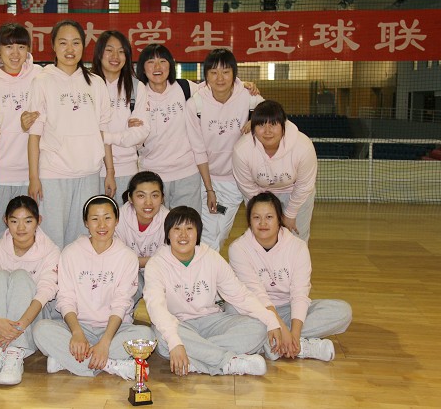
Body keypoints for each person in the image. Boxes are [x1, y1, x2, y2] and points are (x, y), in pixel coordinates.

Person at [143, 206, 282, 376]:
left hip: (212, 320)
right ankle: (228, 362)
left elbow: (239, 294)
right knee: (163, 338)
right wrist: (175, 341)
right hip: (179, 324)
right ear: (168, 234)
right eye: (177, 229)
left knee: (258, 327)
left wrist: (271, 320)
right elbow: (156, 307)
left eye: (189, 228)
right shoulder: (156, 264)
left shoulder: (211, 257)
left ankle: (198, 359)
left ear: (198, 233)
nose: (183, 235)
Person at [33, 195, 155, 379]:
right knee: (41, 329)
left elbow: (121, 303)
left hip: (114, 330)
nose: (102, 225)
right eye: (95, 219)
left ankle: (70, 361)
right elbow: (66, 299)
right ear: (86, 222)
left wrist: (105, 342)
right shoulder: (71, 253)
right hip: (79, 327)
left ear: (117, 220)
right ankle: (110, 365)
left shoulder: (127, 257)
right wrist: (76, 333)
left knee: (146, 335)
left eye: (107, 218)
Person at [228, 192, 352, 362]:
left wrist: (294, 332)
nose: (263, 223)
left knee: (342, 311)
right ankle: (300, 346)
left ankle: (274, 343)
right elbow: (257, 295)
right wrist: (279, 327)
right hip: (257, 310)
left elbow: (300, 294)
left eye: (269, 217)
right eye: (256, 217)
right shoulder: (238, 248)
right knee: (231, 309)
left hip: (287, 309)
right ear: (249, 221)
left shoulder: (297, 247)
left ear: (279, 219)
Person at [27, 20, 113, 249]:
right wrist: (34, 177)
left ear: (83, 46)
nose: (70, 49)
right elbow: (34, 135)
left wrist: (110, 172)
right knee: (51, 240)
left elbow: (103, 132)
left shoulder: (96, 83)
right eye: (63, 43)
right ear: (53, 46)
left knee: (82, 242)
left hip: (89, 174)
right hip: (53, 174)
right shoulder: (42, 81)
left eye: (76, 43)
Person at [0, 196, 60, 385]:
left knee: (20, 276)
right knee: (0, 276)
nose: (21, 228)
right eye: (14, 221)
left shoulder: (51, 251)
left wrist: (18, 327)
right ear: (5, 221)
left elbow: (46, 292)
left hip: (29, 324)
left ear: (39, 221)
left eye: (28, 221)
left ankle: (15, 352)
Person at [187, 48, 264, 251]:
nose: (220, 78)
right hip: (204, 179)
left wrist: (255, 121)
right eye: (213, 72)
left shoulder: (249, 96)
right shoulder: (196, 103)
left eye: (226, 72)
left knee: (221, 232)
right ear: (206, 76)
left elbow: (272, 118)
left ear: (234, 73)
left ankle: (206, 265)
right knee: (207, 233)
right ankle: (205, 268)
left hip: (235, 180)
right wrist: (209, 188)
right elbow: (198, 150)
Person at [0, 23, 43, 244]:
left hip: (33, 176)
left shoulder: (40, 76)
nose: (15, 53)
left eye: (21, 47)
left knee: (31, 238)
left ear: (28, 49)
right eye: (8, 47)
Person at [233, 100, 317, 242]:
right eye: (261, 125)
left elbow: (304, 185)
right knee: (263, 236)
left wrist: (290, 215)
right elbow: (247, 186)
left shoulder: (303, 146)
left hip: (296, 192)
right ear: (253, 127)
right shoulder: (242, 150)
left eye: (273, 124)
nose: (267, 131)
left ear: (283, 126)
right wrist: (264, 213)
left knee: (297, 239)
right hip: (259, 193)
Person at [135, 44, 203, 214]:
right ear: (143, 68)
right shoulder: (136, 96)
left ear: (170, 65)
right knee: (156, 227)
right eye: (151, 62)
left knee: (187, 225)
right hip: (152, 176)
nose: (157, 67)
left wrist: (242, 85)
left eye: (162, 61)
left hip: (187, 174)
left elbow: (217, 89)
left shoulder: (185, 88)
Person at [91, 30, 150, 208]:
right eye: (109, 50)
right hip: (92, 170)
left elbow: (141, 132)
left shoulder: (136, 87)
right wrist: (125, 132)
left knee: (126, 220)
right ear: (99, 53)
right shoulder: (88, 85)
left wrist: (108, 137)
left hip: (127, 169)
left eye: (121, 51)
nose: (115, 56)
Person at [114, 171, 169, 306]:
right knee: (126, 285)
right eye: (141, 196)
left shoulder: (169, 220)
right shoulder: (118, 218)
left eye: (155, 195)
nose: (148, 202)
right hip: (128, 271)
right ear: (130, 198)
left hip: (160, 272)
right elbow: (115, 260)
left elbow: (171, 260)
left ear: (162, 198)